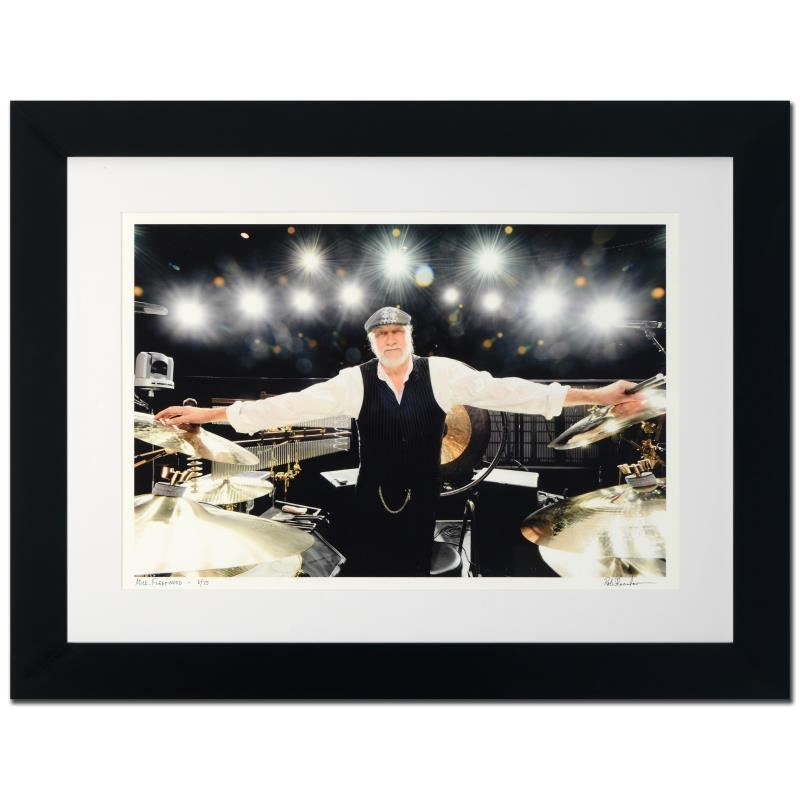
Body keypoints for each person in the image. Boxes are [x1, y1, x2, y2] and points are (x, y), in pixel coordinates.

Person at [155, 306, 646, 577]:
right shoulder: (354, 381)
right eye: (381, 335)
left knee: (412, 569)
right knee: (371, 569)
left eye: (397, 332)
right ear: (371, 342)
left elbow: (515, 393)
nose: (390, 340)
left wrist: (599, 395)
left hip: (423, 496)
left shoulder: (444, 374)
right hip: (370, 496)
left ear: (410, 336)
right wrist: (207, 415)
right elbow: (285, 407)